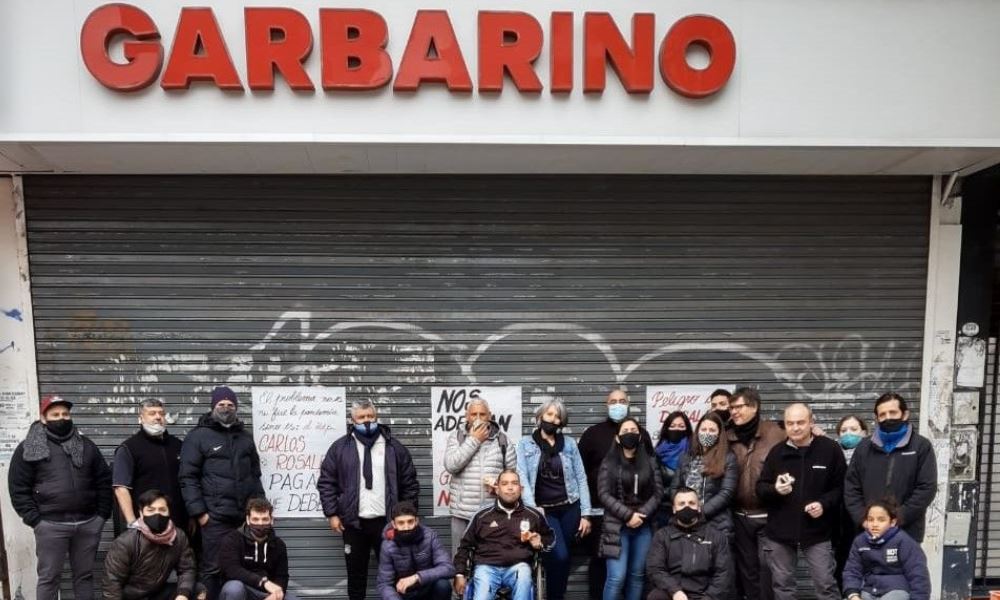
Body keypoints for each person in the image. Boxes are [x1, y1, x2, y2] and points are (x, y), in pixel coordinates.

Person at [8, 395, 112, 600]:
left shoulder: (86, 445)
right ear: (44, 418)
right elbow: (18, 487)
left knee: (84, 576)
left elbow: (103, 480)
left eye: (65, 414)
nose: (62, 418)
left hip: (88, 523)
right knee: (49, 578)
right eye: (55, 414)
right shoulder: (29, 447)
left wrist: (101, 515)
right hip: (50, 525)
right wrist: (35, 520)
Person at [317, 398, 420, 600]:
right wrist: (332, 513)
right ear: (352, 420)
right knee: (356, 576)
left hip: (388, 524)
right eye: (361, 417)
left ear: (377, 417)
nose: (366, 420)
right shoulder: (340, 448)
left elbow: (410, 483)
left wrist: (405, 516)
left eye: (370, 416)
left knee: (394, 574)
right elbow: (326, 482)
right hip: (354, 524)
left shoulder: (394, 447)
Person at [179, 386, 265, 599]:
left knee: (242, 566)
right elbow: (187, 477)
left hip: (243, 520)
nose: (226, 408)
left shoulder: (245, 438)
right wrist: (200, 513)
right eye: (221, 404)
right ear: (212, 407)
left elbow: (255, 475)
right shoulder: (198, 437)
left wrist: (260, 508)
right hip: (214, 518)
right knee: (212, 568)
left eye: (230, 404)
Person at [756, 403, 846, 600]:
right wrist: (775, 490)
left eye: (800, 422)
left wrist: (823, 504)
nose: (795, 428)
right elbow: (761, 488)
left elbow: (841, 488)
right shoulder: (777, 452)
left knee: (825, 584)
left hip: (818, 531)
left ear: (811, 422)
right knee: (782, 587)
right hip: (779, 532)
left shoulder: (830, 449)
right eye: (790, 423)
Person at [578, 388, 654, 600]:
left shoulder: (643, 436)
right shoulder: (592, 434)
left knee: (636, 573)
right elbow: (579, 474)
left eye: (622, 400)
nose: (618, 404)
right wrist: (585, 513)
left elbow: (655, 485)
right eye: (613, 401)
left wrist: (639, 514)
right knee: (605, 570)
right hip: (601, 513)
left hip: (641, 519)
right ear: (607, 404)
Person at [515, 399, 592, 600]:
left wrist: (586, 513)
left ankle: (555, 595)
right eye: (549, 414)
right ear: (540, 416)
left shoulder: (569, 444)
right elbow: (522, 476)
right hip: (544, 511)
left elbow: (581, 477)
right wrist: (532, 509)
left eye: (558, 416)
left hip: (570, 508)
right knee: (559, 555)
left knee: (563, 560)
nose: (553, 419)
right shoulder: (525, 444)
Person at [844, 393, 937, 542]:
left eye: (893, 413)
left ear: (905, 414)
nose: (888, 418)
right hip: (868, 532)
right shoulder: (864, 448)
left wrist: (896, 519)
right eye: (882, 414)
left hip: (907, 533)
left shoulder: (921, 446)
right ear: (877, 419)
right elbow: (851, 487)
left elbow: (926, 488)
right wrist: (864, 519)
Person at [453, 469, 554, 600]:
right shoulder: (481, 516)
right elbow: (464, 546)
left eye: (514, 483)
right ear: (497, 489)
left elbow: (550, 538)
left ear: (521, 489)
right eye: (505, 483)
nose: (510, 487)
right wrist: (460, 574)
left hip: (518, 566)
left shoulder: (533, 515)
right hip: (486, 567)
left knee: (524, 574)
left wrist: (540, 542)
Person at [724, 387, 784, 600]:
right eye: (731, 408)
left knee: (767, 568)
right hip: (739, 516)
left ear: (755, 406)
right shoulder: (727, 436)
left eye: (739, 407)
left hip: (769, 515)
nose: (734, 412)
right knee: (747, 570)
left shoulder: (776, 434)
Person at [597, 417, 663, 600]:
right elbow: (603, 494)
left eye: (633, 430)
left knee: (637, 576)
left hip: (644, 526)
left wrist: (641, 515)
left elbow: (658, 493)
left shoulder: (650, 461)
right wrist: (628, 516)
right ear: (618, 438)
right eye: (625, 431)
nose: (629, 434)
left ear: (640, 435)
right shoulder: (608, 463)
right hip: (617, 528)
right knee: (616, 578)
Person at [444, 396, 516, 554]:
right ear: (466, 416)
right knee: (460, 562)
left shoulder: (503, 441)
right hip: (461, 513)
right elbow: (451, 465)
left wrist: (499, 487)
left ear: (489, 416)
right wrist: (474, 440)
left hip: (492, 513)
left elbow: (512, 478)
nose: (478, 418)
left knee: (491, 560)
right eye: (473, 414)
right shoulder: (457, 437)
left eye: (482, 414)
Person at [103, 489, 205, 600]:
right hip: (131, 597)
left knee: (197, 589)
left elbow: (187, 569)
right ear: (141, 514)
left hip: (156, 593)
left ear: (169, 512)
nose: (157, 514)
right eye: (151, 510)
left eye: (162, 510)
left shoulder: (178, 536)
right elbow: (112, 582)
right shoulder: (126, 541)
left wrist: (183, 594)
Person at [113, 399, 187, 534]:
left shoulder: (178, 446)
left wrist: (192, 516)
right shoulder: (129, 448)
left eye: (161, 413)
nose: (158, 417)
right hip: (146, 525)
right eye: (152, 413)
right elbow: (121, 488)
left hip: (178, 523)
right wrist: (133, 523)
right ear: (141, 418)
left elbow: (188, 482)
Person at [645, 487, 732, 600]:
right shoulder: (662, 536)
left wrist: (709, 597)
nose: (687, 507)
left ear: (699, 507)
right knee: (655, 596)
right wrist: (675, 591)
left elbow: (723, 574)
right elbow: (655, 569)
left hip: (705, 595)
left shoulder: (717, 536)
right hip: (674, 594)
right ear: (674, 509)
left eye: (691, 503)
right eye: (681, 503)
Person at [842, 499, 931, 600]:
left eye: (881, 520)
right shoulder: (860, 541)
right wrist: (853, 594)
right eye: (870, 519)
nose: (875, 524)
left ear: (892, 522)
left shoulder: (903, 541)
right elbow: (852, 570)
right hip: (868, 590)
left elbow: (918, 575)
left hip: (896, 591)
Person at [668, 411, 738, 538]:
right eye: (704, 429)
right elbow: (674, 488)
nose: (707, 433)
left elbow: (727, 492)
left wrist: (700, 513)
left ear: (719, 434)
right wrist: (682, 510)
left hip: (716, 523)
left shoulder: (728, 458)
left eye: (712, 430)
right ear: (697, 432)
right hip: (684, 521)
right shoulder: (686, 457)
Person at [218, 497, 300, 600]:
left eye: (265, 519)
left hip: (267, 594)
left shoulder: (279, 545)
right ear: (248, 520)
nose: (260, 524)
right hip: (244, 591)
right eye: (255, 519)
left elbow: (282, 576)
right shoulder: (232, 539)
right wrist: (263, 582)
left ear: (272, 520)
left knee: (292, 598)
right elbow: (232, 570)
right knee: (234, 589)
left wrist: (276, 594)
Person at [377, 501, 455, 600]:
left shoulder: (430, 536)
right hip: (403, 595)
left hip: (427, 590)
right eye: (401, 523)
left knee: (443, 585)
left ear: (416, 521)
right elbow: (384, 584)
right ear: (394, 524)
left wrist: (417, 577)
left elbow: (448, 568)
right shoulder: (388, 545)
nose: (406, 527)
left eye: (410, 521)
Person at [834, 414, 870, 589]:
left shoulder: (873, 455)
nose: (848, 433)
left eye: (854, 429)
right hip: (840, 525)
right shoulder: (833, 456)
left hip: (866, 520)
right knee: (843, 568)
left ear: (864, 432)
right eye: (844, 430)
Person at [654, 411, 692, 495]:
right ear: (666, 429)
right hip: (663, 502)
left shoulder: (693, 452)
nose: (676, 429)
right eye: (672, 426)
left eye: (681, 426)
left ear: (687, 429)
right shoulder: (657, 453)